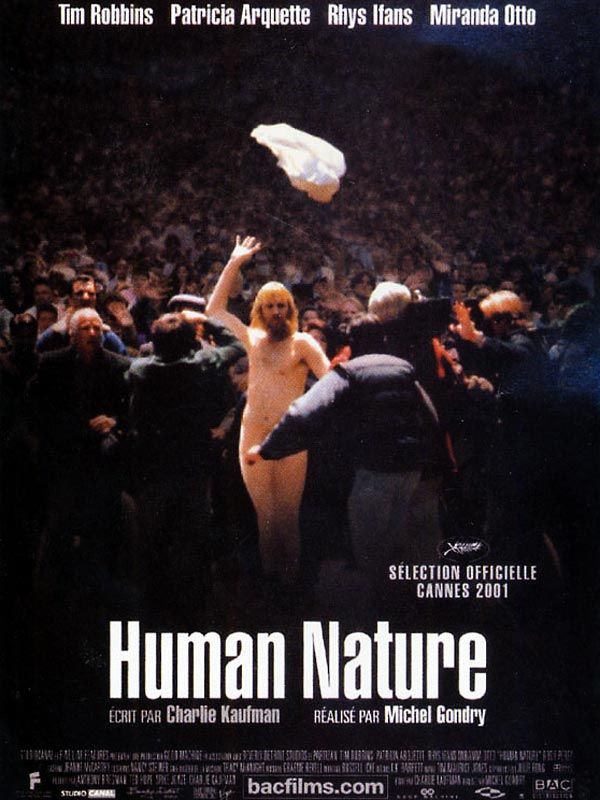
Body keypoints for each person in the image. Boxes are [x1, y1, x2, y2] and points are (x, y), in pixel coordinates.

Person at [245, 315, 439, 605]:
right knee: (395, 541)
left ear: (352, 343)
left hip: (374, 469)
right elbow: (430, 415)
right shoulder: (404, 368)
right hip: (410, 470)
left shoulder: (348, 372)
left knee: (370, 549)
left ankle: (378, 613)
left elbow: (302, 413)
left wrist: (266, 449)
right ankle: (401, 611)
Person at [207, 236, 330, 585]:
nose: (276, 311)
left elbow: (331, 382)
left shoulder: (303, 343)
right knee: (265, 515)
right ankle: (271, 584)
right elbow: (214, 310)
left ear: (290, 310)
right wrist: (234, 262)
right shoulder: (252, 339)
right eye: (270, 306)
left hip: (291, 436)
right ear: (260, 310)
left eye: (282, 306)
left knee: (287, 516)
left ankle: (290, 585)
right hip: (253, 433)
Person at [126, 311, 245, 617]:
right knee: (192, 540)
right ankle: (193, 608)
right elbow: (236, 346)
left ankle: (154, 607)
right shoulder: (203, 365)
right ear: (191, 343)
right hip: (193, 467)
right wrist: (205, 319)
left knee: (154, 538)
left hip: (154, 468)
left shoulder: (140, 370)